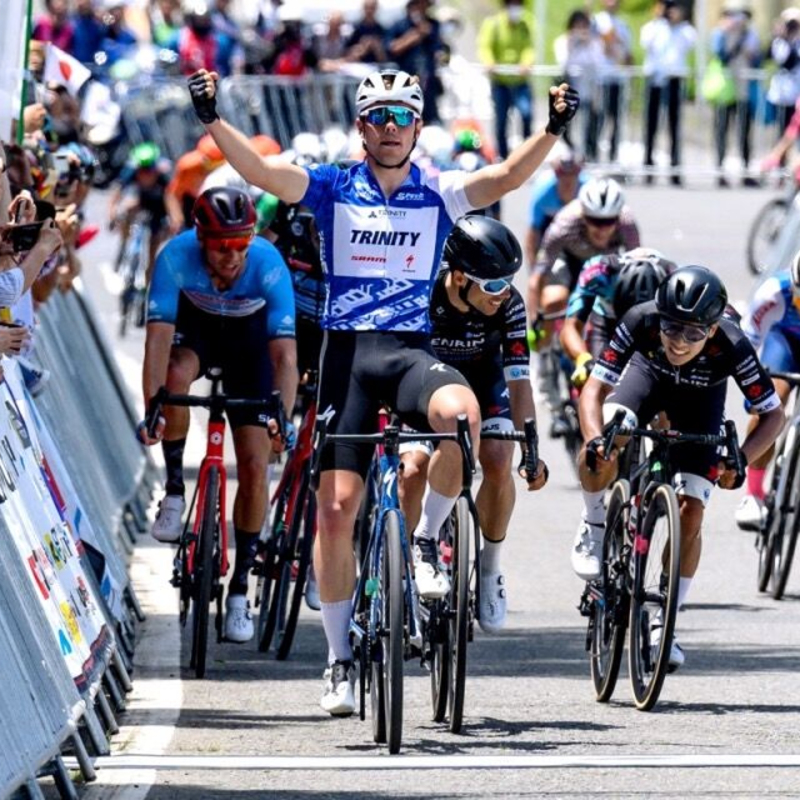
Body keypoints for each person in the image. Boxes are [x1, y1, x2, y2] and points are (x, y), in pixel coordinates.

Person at [185, 65, 578, 715]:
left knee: (462, 416)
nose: (391, 128)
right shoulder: (333, 186)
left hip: (409, 352)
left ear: (418, 128)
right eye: (379, 117)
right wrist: (211, 118)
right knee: (337, 509)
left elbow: (507, 176)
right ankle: (339, 660)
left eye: (402, 117)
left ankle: (425, 540)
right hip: (347, 356)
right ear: (361, 127)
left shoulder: (440, 190)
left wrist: (554, 128)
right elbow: (261, 173)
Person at [573, 266, 783, 668]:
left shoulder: (732, 343)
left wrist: (740, 457)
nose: (680, 341)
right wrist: (595, 439)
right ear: (660, 316)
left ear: (713, 329)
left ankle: (664, 622)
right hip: (646, 379)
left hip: (701, 401)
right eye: (671, 328)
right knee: (611, 434)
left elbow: (773, 415)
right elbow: (594, 390)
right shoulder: (641, 319)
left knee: (692, 511)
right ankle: (594, 521)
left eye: (694, 333)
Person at [138, 186, 297, 643]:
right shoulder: (176, 256)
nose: (232, 256)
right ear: (201, 239)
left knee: (254, 463)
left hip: (250, 344)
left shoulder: (267, 263)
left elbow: (284, 357)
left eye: (241, 244)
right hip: (198, 331)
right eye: (221, 246)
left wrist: (281, 418)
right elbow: (157, 343)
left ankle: (240, 589)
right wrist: (154, 408)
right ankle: (173, 492)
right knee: (173, 378)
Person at [399, 215, 548, 634]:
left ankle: (490, 568)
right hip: (425, 384)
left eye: (509, 281)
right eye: (494, 284)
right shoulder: (424, 293)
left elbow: (519, 382)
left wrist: (531, 449)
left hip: (484, 382)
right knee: (411, 470)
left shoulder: (509, 304)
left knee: (499, 459)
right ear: (460, 277)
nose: (504, 293)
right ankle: (407, 562)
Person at [527, 177, 639, 432]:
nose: (602, 229)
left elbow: (638, 265)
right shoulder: (564, 223)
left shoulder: (627, 223)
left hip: (606, 267)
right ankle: (546, 373)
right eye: (594, 221)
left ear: (618, 217)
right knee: (553, 300)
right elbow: (537, 277)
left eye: (608, 222)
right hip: (569, 263)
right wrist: (536, 322)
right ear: (583, 215)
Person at [736, 250, 800, 530]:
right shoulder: (773, 291)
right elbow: (743, 348)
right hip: (784, 341)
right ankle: (753, 494)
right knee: (771, 401)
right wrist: (755, 394)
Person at [560, 247, 676, 387]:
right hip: (607, 320)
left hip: (653, 323)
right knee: (597, 378)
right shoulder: (598, 273)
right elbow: (571, 327)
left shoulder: (674, 279)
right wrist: (583, 358)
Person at [640, 0, 697, 186]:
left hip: (674, 79)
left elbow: (691, 42)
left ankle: (675, 168)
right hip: (654, 79)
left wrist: (678, 22)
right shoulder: (654, 27)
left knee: (674, 126)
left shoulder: (684, 30)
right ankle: (648, 166)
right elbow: (646, 42)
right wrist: (658, 20)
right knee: (651, 125)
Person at [108, 142, 178, 281]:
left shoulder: (164, 173)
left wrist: (175, 220)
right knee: (127, 210)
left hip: (159, 207)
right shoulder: (131, 170)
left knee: (153, 248)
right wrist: (113, 213)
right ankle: (124, 240)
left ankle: (147, 281)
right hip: (141, 200)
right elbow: (117, 193)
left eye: (149, 170)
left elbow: (171, 198)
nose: (145, 174)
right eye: (142, 170)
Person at [710, 1, 761, 187]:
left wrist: (745, 42)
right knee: (722, 131)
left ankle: (746, 171)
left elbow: (757, 60)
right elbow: (720, 55)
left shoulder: (751, 34)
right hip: (725, 89)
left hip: (743, 89)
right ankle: (720, 171)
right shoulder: (719, 33)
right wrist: (728, 34)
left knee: (745, 132)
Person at [477, 0, 534, 162]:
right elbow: (485, 46)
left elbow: (529, 48)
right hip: (500, 82)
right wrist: (489, 62)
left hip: (520, 81)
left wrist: (526, 62)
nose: (516, 8)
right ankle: (502, 156)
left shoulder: (525, 24)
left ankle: (527, 154)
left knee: (526, 114)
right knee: (501, 120)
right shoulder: (493, 24)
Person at [554, 10, 605, 161]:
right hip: (570, 93)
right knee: (569, 127)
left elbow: (598, 64)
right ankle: (571, 153)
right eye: (577, 26)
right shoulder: (562, 42)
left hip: (589, 92)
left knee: (591, 124)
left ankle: (589, 154)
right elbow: (563, 64)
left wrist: (588, 43)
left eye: (584, 26)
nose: (580, 31)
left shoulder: (594, 44)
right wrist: (572, 45)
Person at [524, 144, 585, 269]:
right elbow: (533, 232)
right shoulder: (543, 194)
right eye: (563, 177)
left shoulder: (587, 189)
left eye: (572, 177)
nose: (567, 182)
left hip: (578, 227)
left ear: (578, 176)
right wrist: (534, 268)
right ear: (557, 177)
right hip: (549, 225)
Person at [387, 0, 445, 124]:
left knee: (429, 116)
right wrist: (415, 35)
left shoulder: (433, 25)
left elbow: (439, 49)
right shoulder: (399, 25)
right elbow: (392, 48)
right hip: (405, 78)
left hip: (428, 80)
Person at [593, 0, 633, 164]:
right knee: (598, 117)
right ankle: (592, 154)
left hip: (617, 78)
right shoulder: (595, 21)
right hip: (600, 78)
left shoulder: (623, 25)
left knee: (615, 119)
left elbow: (628, 54)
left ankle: (613, 156)